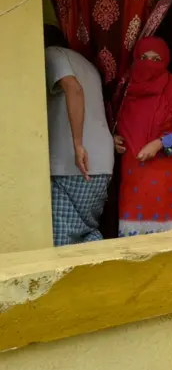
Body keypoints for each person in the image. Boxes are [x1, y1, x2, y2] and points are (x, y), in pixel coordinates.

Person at [114, 37, 172, 236]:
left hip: (166, 173)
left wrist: (159, 143)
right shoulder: (126, 89)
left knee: (167, 241)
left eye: (156, 59)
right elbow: (115, 122)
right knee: (134, 245)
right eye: (144, 57)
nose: (149, 64)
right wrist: (114, 138)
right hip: (133, 171)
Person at [44, 24, 114, 246]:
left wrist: (77, 144)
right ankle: (103, 275)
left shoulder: (51, 54)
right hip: (102, 164)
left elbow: (73, 88)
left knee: (62, 238)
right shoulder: (87, 64)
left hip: (72, 164)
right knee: (86, 230)